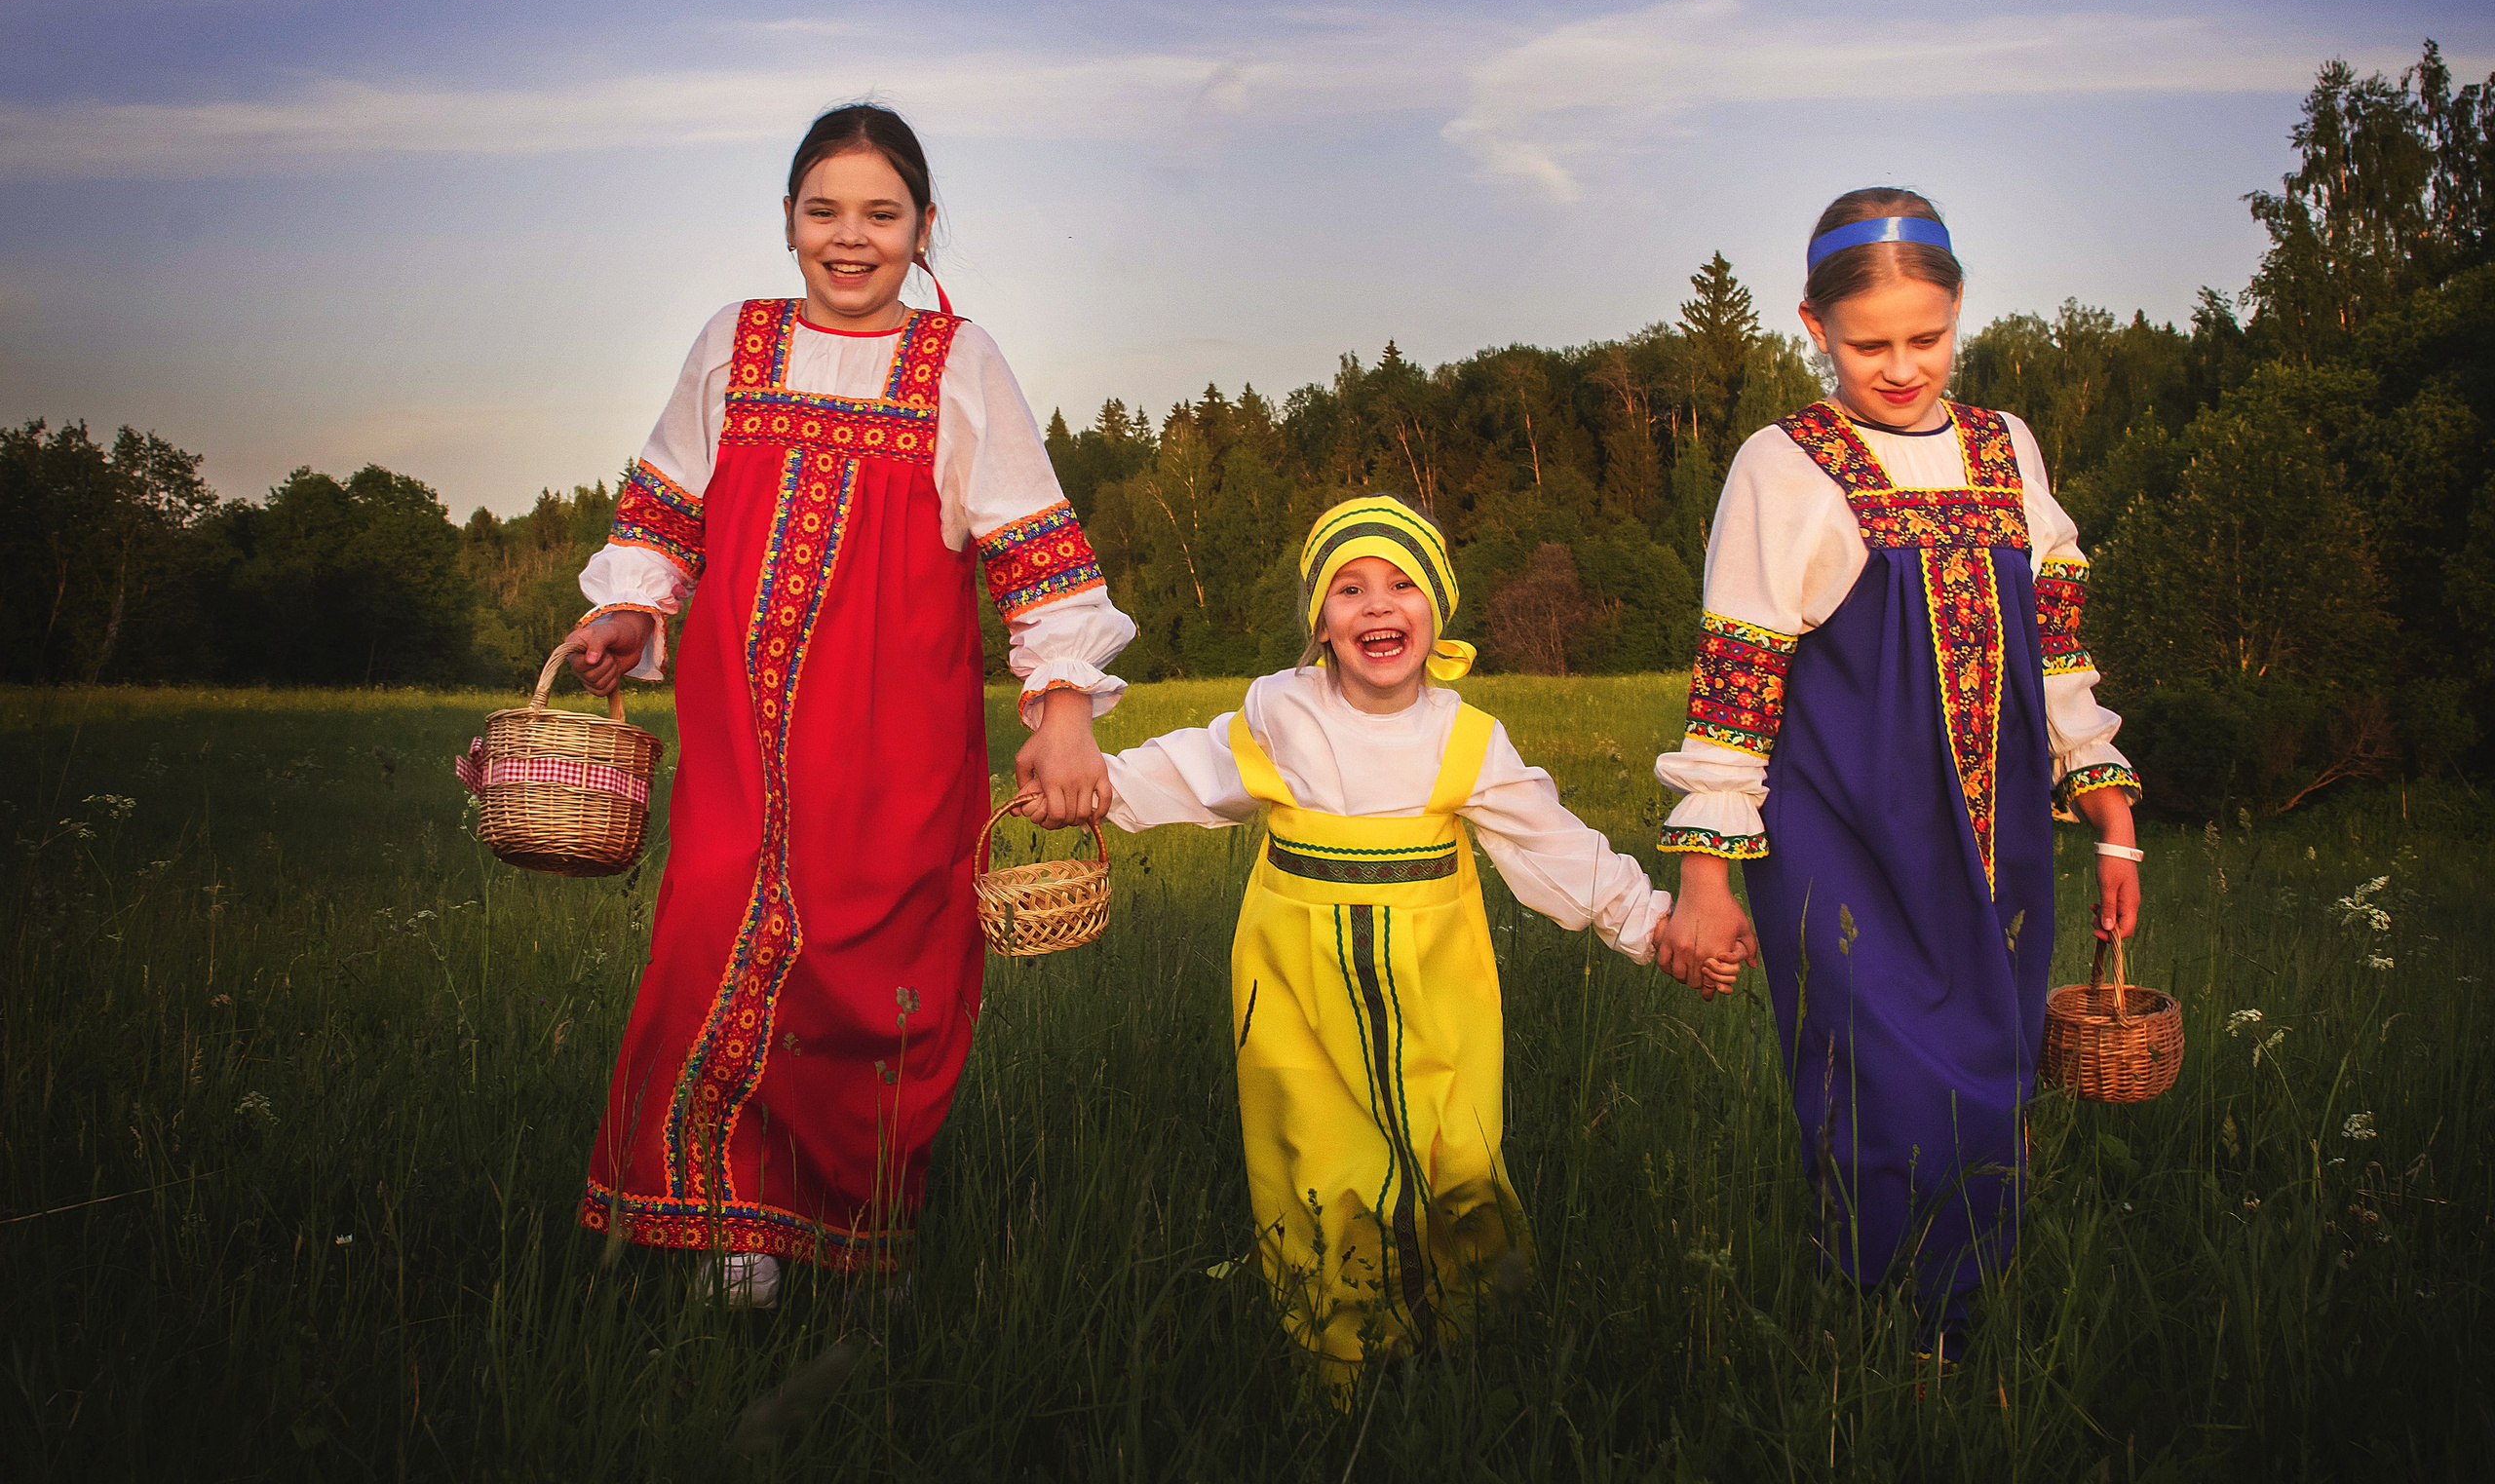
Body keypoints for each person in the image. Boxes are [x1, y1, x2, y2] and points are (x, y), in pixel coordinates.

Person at [565, 104, 1133, 1307]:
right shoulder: (734, 343)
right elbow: (665, 506)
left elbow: (1032, 546)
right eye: (824, 211)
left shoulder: (958, 361)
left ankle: (855, 1223)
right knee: (710, 933)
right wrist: (629, 608)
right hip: (741, 731)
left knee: (874, 969)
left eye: (881, 213)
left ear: (923, 228)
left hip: (895, 731)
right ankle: (730, 1225)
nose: (850, 236)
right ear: (786, 221)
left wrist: (1063, 704)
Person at [1653, 189, 2142, 1359]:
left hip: (1996, 825)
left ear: (1959, 308)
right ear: (1814, 327)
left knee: (1990, 1068)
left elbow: (2055, 648)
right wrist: (1706, 872)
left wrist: (2108, 809)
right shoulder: (1784, 463)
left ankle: (1952, 1327)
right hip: (1838, 825)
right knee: (1883, 1075)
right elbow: (1737, 675)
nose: (1902, 367)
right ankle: (1884, 1316)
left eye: (1927, 337)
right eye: (1868, 344)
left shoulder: (2004, 446)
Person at [1094, 495, 1733, 1385]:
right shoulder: (1283, 715)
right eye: (1349, 588)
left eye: (1401, 584)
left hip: (1436, 990)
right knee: (1323, 1168)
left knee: (1460, 1158)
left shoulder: (1465, 738)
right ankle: (1339, 1360)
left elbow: (1548, 842)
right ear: (1320, 621)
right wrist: (1094, 783)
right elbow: (1189, 770)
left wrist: (1651, 921)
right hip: (1298, 988)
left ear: (1437, 610)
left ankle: (1479, 1339)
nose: (1377, 605)